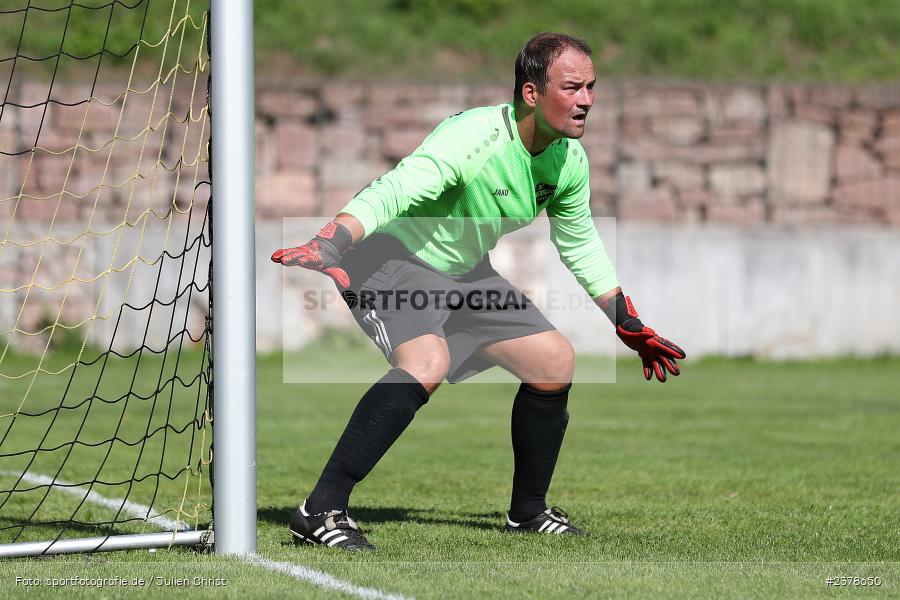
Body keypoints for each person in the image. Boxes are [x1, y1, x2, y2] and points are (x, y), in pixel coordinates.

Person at [272, 32, 685, 551]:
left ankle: (528, 513)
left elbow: (580, 244)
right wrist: (333, 238)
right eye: (573, 87)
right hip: (393, 259)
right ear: (532, 93)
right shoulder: (474, 136)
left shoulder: (568, 161)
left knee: (554, 362)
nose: (587, 101)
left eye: (592, 88)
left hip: (466, 272)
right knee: (427, 363)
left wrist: (625, 320)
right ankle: (320, 509)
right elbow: (395, 189)